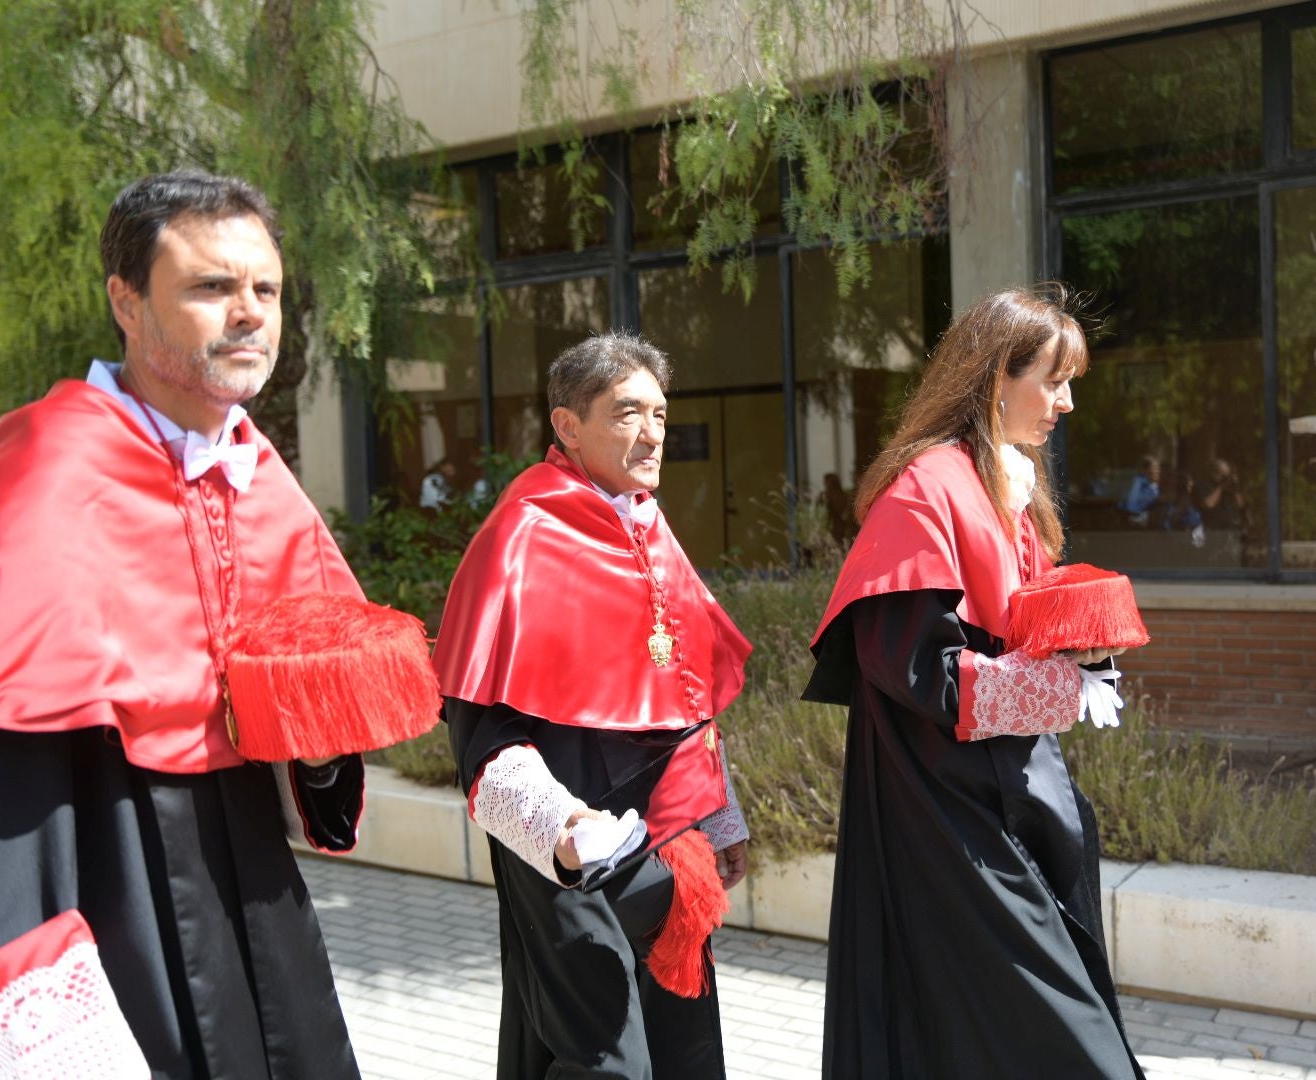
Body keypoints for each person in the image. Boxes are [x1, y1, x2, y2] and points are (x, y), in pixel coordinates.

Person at [0, 171, 368, 1079]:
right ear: (126, 302)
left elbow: (306, 718)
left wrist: (322, 738)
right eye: (212, 287)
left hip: (255, 883)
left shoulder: (259, 472)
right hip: (102, 859)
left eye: (267, 289)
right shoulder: (46, 465)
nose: (249, 312)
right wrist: (25, 1020)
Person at [803, 285, 1145, 1079]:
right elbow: (915, 665)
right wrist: (1065, 690)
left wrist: (1084, 650)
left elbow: (1012, 624)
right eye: (1052, 381)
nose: (1064, 404)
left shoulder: (1004, 483)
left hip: (1002, 797)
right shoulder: (928, 486)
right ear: (997, 377)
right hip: (949, 818)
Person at [433, 332, 753, 1080]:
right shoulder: (520, 534)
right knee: (601, 1051)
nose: (652, 434)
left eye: (662, 415)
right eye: (627, 413)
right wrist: (565, 832)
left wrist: (720, 816)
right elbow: (481, 731)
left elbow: (684, 688)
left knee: (683, 1041)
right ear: (568, 427)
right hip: (570, 841)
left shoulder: (645, 520)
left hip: (668, 834)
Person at [1118, 454, 1161, 526]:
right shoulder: (1137, 484)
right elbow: (1132, 507)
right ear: (1144, 471)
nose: (1158, 471)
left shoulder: (1154, 487)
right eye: (1155, 468)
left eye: (1158, 468)